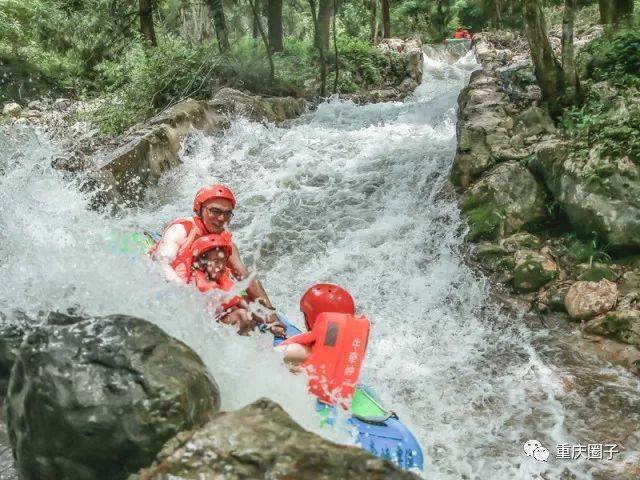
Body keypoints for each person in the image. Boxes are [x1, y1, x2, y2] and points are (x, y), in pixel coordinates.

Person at [150, 183, 284, 335]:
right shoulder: (182, 230)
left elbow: (244, 275)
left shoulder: (226, 244)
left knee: (250, 308)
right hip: (178, 287)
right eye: (215, 211)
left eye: (227, 214)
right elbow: (162, 262)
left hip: (206, 293)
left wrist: (271, 318)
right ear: (199, 209)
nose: (221, 218)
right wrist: (184, 292)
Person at [276, 284, 371, 407]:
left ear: (310, 318)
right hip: (338, 400)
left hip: (310, 402)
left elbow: (264, 358)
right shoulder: (353, 344)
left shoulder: (301, 350)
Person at [189, 233, 257, 335]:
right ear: (201, 263)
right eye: (216, 262)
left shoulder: (223, 277)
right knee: (242, 315)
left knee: (248, 312)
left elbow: (239, 300)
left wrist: (258, 316)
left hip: (221, 319)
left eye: (223, 261)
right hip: (206, 328)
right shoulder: (193, 283)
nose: (221, 266)